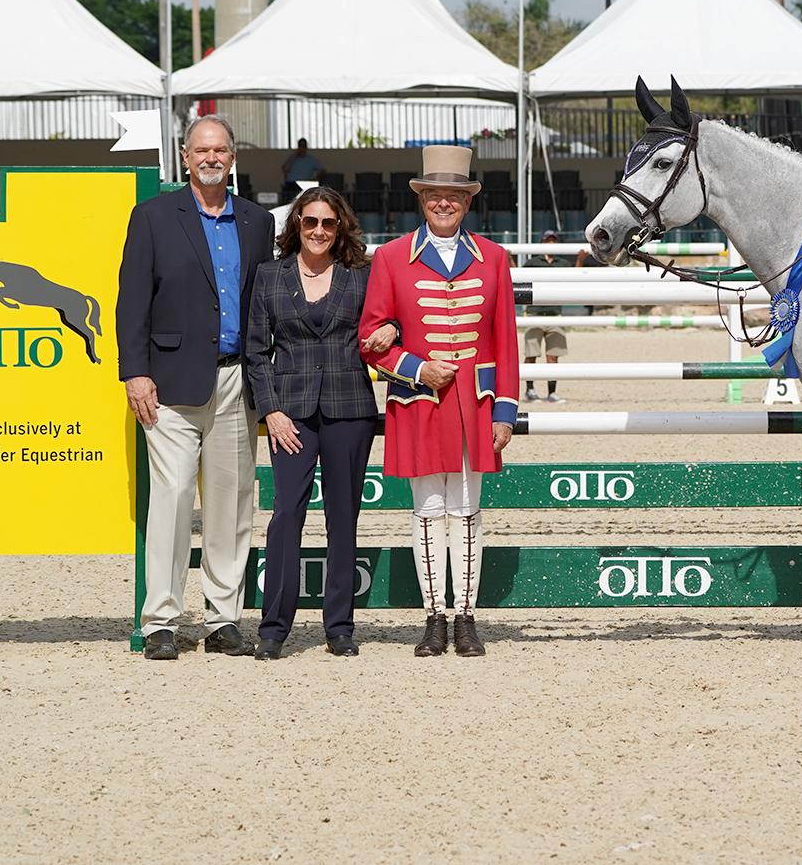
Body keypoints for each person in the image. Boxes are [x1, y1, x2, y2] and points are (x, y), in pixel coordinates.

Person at [119, 115, 276, 661]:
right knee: (172, 500)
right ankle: (162, 619)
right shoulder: (154, 217)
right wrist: (135, 373)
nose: (212, 158)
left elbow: (265, 303)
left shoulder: (258, 223)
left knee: (232, 505)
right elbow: (132, 300)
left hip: (237, 379)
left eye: (222, 150)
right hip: (168, 384)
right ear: (185, 156)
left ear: (233, 157)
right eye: (201, 149)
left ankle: (223, 618)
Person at [360, 144, 517, 658]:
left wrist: (506, 410)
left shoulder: (493, 258)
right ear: (421, 199)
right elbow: (369, 338)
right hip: (419, 401)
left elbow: (507, 339)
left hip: (475, 403)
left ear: (467, 202)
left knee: (468, 510)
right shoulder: (389, 257)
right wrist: (416, 367)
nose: (443, 203)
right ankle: (433, 618)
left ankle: (466, 618)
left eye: (453, 195)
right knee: (428, 510)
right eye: (434, 195)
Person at [246, 187, 397, 659]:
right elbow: (255, 351)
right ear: (296, 226)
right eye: (310, 222)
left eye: (328, 223)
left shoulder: (362, 277)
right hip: (289, 414)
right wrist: (271, 411)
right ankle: (274, 628)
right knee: (286, 515)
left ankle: (339, 626)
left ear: (340, 228)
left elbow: (389, 323)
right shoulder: (269, 277)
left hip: (349, 409)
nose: (318, 231)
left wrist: (391, 328)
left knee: (342, 518)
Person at [523, 228, 568, 403]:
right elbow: (519, 279)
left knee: (553, 355)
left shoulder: (563, 263)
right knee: (531, 353)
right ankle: (530, 389)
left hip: (555, 313)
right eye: (548, 241)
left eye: (553, 241)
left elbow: (573, 278)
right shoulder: (532, 262)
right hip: (535, 312)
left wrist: (579, 260)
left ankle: (552, 392)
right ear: (542, 243)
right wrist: (510, 259)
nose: (551, 244)